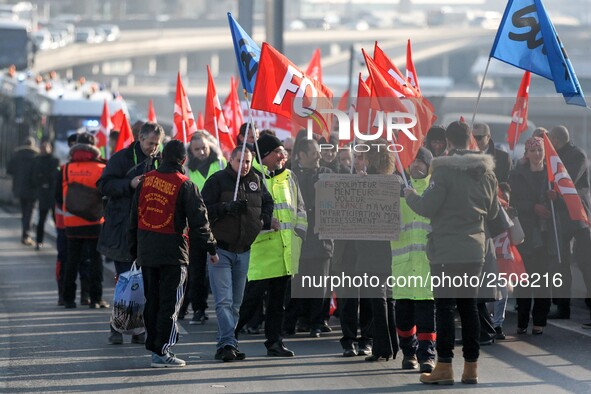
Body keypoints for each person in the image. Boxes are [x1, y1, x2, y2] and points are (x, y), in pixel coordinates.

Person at [405, 121, 499, 385]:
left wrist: (410, 194)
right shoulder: (488, 173)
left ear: (448, 141)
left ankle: (444, 366)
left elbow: (427, 207)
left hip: (447, 250)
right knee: (469, 307)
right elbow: (492, 212)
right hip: (474, 251)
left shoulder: (443, 171)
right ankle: (471, 368)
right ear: (471, 140)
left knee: (445, 308)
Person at [128, 139, 218, 368]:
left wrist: (133, 249)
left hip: (147, 251)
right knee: (170, 304)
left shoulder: (145, 181)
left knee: (153, 302)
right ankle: (161, 351)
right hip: (173, 253)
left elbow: (133, 219)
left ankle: (155, 347)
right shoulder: (185, 184)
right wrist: (211, 248)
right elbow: (199, 221)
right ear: (184, 160)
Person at [235, 134, 307, 357]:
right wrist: (265, 221)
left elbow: (300, 209)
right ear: (264, 155)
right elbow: (244, 210)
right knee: (249, 302)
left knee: (278, 304)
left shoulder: (290, 177)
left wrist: (300, 234)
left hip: (286, 252)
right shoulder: (252, 177)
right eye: (277, 151)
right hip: (261, 252)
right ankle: (228, 339)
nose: (282, 154)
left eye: (283, 150)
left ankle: (275, 342)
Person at [201, 146, 273, 361]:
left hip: (244, 250)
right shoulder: (218, 180)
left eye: (248, 161)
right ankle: (228, 343)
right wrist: (225, 207)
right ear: (230, 159)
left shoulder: (257, 180)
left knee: (235, 303)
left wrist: (263, 220)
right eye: (240, 160)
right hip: (220, 249)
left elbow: (268, 202)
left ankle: (227, 343)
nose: (245, 165)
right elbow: (202, 209)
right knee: (223, 300)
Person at [97, 121, 163, 345]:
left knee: (144, 283)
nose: (153, 148)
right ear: (140, 138)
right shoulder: (121, 158)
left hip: (149, 231)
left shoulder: (160, 161)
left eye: (156, 144)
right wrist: (129, 184)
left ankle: (137, 329)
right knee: (124, 282)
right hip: (122, 231)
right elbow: (103, 185)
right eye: (150, 143)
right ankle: (116, 329)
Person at [392, 148, 436, 373]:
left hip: (427, 264)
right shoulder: (397, 189)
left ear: (429, 166)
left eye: (422, 161)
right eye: (414, 160)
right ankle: (408, 353)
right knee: (404, 314)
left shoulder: (435, 190)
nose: (417, 164)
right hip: (402, 264)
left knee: (427, 313)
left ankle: (427, 355)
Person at [355, 140, 399, 363]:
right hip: (388, 248)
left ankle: (383, 347)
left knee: (376, 298)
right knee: (386, 298)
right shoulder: (394, 180)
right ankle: (391, 345)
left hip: (371, 247)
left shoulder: (371, 180)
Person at [285, 139, 333, 338]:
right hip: (299, 239)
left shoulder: (327, 174)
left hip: (322, 239)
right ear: (302, 155)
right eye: (314, 153)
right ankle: (294, 321)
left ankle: (317, 322)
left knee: (319, 283)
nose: (319, 156)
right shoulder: (290, 177)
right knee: (297, 283)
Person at [179, 130, 227, 324]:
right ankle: (198, 308)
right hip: (196, 226)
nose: (201, 152)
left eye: (204, 148)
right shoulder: (188, 168)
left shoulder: (221, 163)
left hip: (220, 224)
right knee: (196, 271)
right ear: (190, 150)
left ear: (210, 147)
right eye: (196, 149)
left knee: (221, 269)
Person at [57, 133, 109, 310]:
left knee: (72, 260)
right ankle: (96, 298)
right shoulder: (102, 167)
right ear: (94, 147)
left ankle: (68, 299)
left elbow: (57, 196)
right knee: (96, 260)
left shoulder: (65, 168)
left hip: (71, 222)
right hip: (95, 221)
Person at [509, 137, 553, 335]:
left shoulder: (552, 175)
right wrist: (532, 207)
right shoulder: (517, 174)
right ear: (526, 154)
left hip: (546, 235)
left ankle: (539, 321)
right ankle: (522, 320)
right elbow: (512, 202)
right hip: (525, 233)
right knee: (523, 281)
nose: (537, 154)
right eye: (533, 150)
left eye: (540, 150)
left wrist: (555, 199)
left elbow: (565, 200)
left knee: (543, 280)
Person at [547, 125, 591, 322]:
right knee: (561, 263)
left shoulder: (577, 155)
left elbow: (568, 183)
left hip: (577, 214)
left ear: (555, 140)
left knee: (585, 262)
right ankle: (563, 307)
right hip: (559, 216)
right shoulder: (553, 156)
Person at [7, 136, 39, 246]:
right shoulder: (36, 156)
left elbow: (9, 170)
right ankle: (26, 235)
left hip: (19, 188)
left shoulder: (16, 155)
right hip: (33, 189)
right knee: (30, 213)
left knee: (24, 211)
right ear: (33, 145)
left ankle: (25, 233)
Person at [33, 140, 59, 250]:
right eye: (42, 147)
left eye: (45, 147)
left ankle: (60, 240)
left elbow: (56, 175)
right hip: (43, 193)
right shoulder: (37, 160)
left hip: (52, 193)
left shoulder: (54, 160)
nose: (43, 149)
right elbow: (34, 175)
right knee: (41, 219)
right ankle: (39, 241)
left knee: (56, 219)